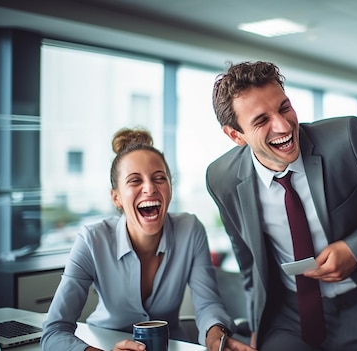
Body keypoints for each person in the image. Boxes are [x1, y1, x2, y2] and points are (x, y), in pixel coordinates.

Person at [206, 61, 357, 350]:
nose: (282, 125)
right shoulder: (221, 178)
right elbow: (248, 260)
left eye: (284, 107)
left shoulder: (347, 139)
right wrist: (257, 325)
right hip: (288, 316)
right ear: (235, 135)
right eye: (261, 120)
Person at [41, 128, 256, 351]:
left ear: (170, 188)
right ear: (116, 197)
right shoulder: (92, 240)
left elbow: (208, 304)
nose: (150, 188)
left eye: (159, 178)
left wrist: (216, 340)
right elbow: (54, 331)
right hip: (104, 344)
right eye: (135, 181)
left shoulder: (190, 230)